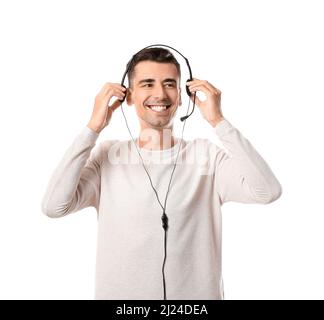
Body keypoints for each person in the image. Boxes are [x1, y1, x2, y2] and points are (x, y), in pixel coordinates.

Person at [41, 47, 282, 300]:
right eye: (147, 84)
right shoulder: (106, 156)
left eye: (169, 84)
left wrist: (218, 121)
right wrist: (93, 127)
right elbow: (54, 206)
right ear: (129, 96)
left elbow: (267, 191)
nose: (160, 94)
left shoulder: (206, 156)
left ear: (181, 96)